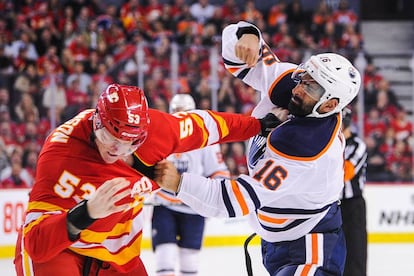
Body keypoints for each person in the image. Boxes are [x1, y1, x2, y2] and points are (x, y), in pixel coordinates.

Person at [154, 21, 361, 276]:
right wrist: (249, 34)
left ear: (329, 105)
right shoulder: (293, 88)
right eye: (304, 77)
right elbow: (238, 57)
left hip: (310, 247)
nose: (298, 88)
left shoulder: (308, 149)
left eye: (311, 87)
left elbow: (233, 200)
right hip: (275, 242)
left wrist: (178, 183)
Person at [14, 83, 280, 276]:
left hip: (117, 256)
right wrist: (85, 213)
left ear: (142, 136)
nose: (116, 149)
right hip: (59, 250)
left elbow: (208, 125)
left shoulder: (160, 131)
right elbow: (35, 244)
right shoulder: (61, 154)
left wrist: (257, 125)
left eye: (128, 143)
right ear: (96, 122)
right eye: (108, 137)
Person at [150, 94, 230, 276]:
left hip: (194, 207)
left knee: (189, 260)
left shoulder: (206, 141)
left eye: (185, 113)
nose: (181, 117)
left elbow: (219, 171)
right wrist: (153, 191)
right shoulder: (160, 136)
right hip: (165, 206)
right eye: (177, 113)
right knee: (165, 256)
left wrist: (211, 196)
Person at [341, 107, 368, 276]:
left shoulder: (358, 146)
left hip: (352, 206)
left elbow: (347, 172)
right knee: (335, 253)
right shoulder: (332, 145)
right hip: (333, 205)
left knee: (355, 251)